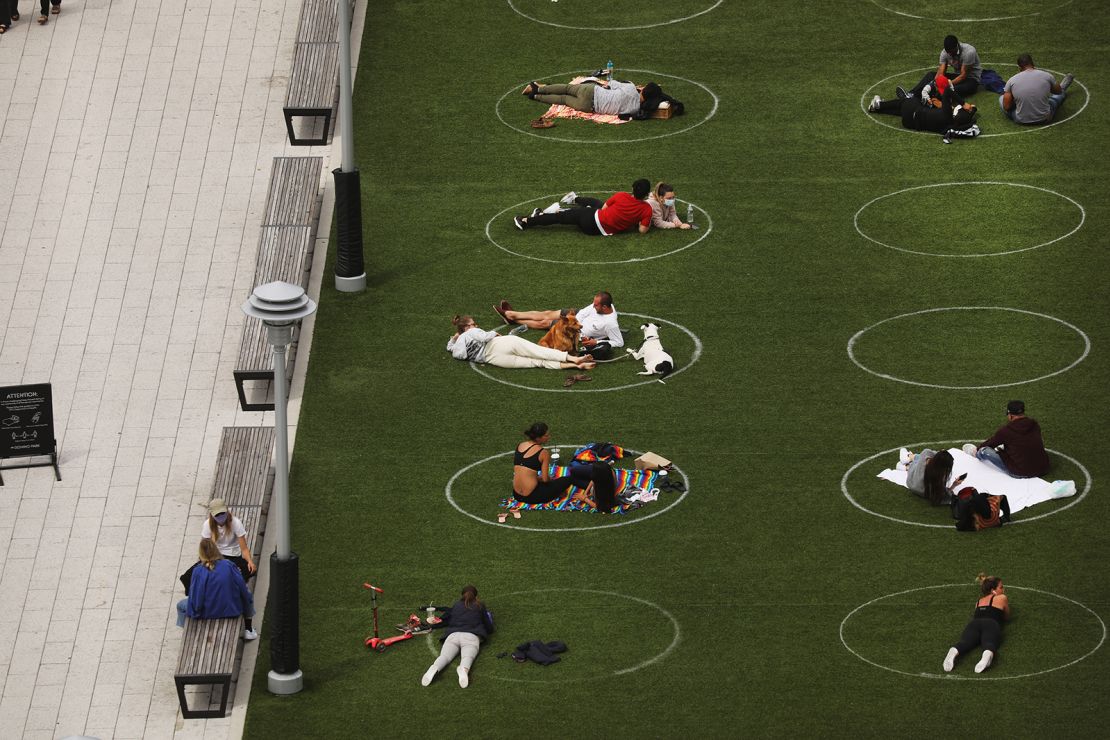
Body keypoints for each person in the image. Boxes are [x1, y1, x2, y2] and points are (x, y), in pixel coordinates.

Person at [496, 291, 624, 359]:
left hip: (574, 330)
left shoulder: (610, 324)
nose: (593, 305)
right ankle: (513, 315)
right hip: (574, 319)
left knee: (544, 323)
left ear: (605, 307)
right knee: (547, 313)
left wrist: (595, 343)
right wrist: (572, 320)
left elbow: (619, 342)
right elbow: (584, 312)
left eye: (596, 304)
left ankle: (512, 317)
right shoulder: (599, 305)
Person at [176, 539, 258, 640]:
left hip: (207, 612)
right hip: (231, 609)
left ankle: (189, 633)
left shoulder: (197, 571)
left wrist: (195, 611)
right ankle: (248, 630)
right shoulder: (228, 565)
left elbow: (196, 598)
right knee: (247, 594)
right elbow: (242, 587)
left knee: (180, 605)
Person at [447, 315, 595, 370]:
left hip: (494, 359)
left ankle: (576, 365)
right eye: (473, 324)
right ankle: (574, 359)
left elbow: (453, 350)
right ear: (466, 327)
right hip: (500, 343)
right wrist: (494, 333)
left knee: (537, 363)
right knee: (539, 352)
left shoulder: (457, 346)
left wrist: (455, 339)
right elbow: (484, 337)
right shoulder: (471, 332)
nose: (476, 326)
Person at [513, 179, 653, 236]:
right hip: (596, 231)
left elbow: (603, 208)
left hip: (592, 217)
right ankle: (570, 202)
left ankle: (526, 221)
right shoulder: (646, 209)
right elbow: (642, 230)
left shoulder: (621, 195)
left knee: (560, 217)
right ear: (646, 194)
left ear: (633, 188)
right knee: (568, 215)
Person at [421, 585, 495, 688]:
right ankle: (463, 669)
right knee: (467, 657)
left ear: (462, 595)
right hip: (471, 637)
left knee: (444, 657)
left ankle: (435, 667)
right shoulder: (480, 605)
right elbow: (489, 627)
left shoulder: (456, 605)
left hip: (453, 635)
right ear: (476, 596)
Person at [942, 573, 1010, 674]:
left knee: (964, 643)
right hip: (991, 623)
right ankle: (986, 658)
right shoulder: (1002, 597)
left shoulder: (978, 602)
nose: (1003, 589)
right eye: (1001, 587)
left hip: (974, 624)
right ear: (993, 590)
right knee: (989, 643)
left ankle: (954, 651)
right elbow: (1007, 617)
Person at [963, 400, 1050, 478]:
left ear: (1010, 415)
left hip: (1021, 472)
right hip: (1044, 468)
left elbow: (990, 443)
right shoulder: (1034, 424)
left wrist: (978, 449)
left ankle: (974, 453)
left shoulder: (1006, 431)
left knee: (985, 450)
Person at [868, 76, 979, 136]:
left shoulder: (946, 112)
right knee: (904, 110)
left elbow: (947, 92)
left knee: (908, 101)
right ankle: (877, 109)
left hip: (914, 110)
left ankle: (879, 104)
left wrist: (963, 104)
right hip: (910, 124)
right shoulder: (949, 126)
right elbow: (967, 117)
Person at [523, 78, 661, 119]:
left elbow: (611, 84)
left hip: (591, 90)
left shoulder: (631, 88)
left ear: (643, 90)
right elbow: (621, 116)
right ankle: (535, 96)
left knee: (566, 88)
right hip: (588, 106)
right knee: (563, 99)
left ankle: (537, 88)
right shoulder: (635, 109)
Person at [1001, 54, 1074, 125]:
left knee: (1001, 99)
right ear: (1033, 64)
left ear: (1019, 67)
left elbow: (1006, 106)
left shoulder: (1012, 80)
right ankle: (1063, 86)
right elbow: (1058, 91)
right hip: (1045, 118)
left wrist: (1015, 100)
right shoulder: (1047, 76)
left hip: (1021, 120)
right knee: (1054, 100)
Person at [904, 34, 982, 101]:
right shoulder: (945, 53)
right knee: (931, 75)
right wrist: (933, 83)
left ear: (957, 46)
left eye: (952, 52)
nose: (950, 54)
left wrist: (947, 84)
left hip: (971, 80)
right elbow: (941, 72)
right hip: (957, 77)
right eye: (949, 53)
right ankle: (911, 94)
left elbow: (963, 75)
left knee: (947, 90)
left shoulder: (969, 52)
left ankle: (930, 100)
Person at [201, 499, 257, 581]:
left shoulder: (236, 523)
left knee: (249, 570)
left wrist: (250, 561)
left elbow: (244, 549)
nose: (220, 516)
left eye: (222, 513)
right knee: (191, 575)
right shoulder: (207, 525)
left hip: (233, 555)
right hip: (216, 555)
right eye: (217, 515)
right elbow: (206, 548)